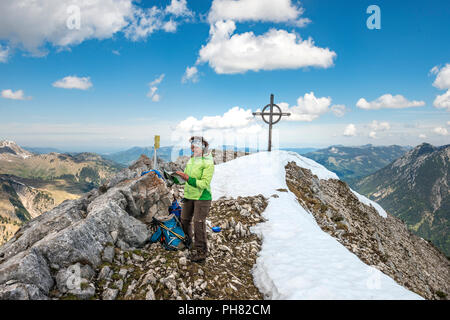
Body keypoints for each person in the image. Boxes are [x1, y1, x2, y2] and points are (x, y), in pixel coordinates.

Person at [175, 136, 214, 263]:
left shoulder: (208, 162)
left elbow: (204, 183)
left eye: (195, 145)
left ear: (202, 147)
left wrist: (187, 178)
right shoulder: (192, 160)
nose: (192, 148)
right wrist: (176, 179)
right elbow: (187, 178)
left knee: (199, 223)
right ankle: (188, 242)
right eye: (191, 145)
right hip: (189, 195)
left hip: (202, 197)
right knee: (184, 220)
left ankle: (201, 252)